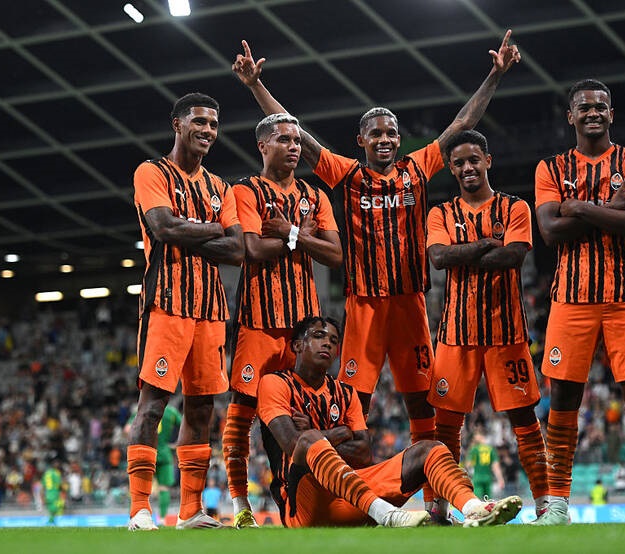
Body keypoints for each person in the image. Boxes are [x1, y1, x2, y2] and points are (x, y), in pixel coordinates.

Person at [231, 33, 521, 518]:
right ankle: (346, 500)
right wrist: (256, 86)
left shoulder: (417, 169)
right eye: (376, 133)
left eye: (391, 133)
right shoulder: (346, 175)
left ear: (399, 140)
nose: (385, 139)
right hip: (363, 308)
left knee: (422, 408)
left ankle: (438, 505)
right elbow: (299, 136)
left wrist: (495, 74)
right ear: (361, 141)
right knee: (351, 407)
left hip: (410, 306)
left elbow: (461, 125)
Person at [533, 79, 625, 525]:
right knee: (563, 395)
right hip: (570, 298)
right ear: (571, 116)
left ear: (611, 114)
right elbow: (549, 232)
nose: (593, 112)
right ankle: (558, 506)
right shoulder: (550, 168)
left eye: (600, 106)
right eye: (584, 107)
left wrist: (578, 208)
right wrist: (612, 209)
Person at [256, 315, 522, 528]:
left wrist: (321, 436)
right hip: (304, 504)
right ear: (297, 345)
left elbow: (363, 454)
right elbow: (293, 444)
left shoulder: (345, 393)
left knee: (431, 448)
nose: (327, 343)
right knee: (307, 441)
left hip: (353, 493)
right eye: (318, 336)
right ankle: (388, 515)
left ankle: (473, 508)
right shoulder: (275, 383)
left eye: (333, 340)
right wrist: (341, 432)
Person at [127, 92, 245, 531]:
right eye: (199, 121)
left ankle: (190, 511)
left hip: (211, 311)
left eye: (213, 124)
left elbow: (238, 249)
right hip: (167, 305)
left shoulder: (221, 187)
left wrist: (190, 230)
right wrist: (214, 229)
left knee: (201, 409)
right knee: (153, 406)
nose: (208, 130)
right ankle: (140, 509)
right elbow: (162, 226)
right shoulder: (151, 172)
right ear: (177, 124)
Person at [222, 113, 342, 528]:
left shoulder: (315, 195)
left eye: (297, 140)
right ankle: (240, 505)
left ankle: (293, 502)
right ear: (263, 146)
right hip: (257, 323)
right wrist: (303, 237)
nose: (294, 146)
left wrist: (290, 233)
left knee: (296, 419)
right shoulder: (245, 190)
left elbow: (335, 255)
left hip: (302, 331)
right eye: (284, 139)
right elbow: (252, 249)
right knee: (242, 414)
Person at [426, 130, 549, 520]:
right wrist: (483, 245)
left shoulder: (515, 207)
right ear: (451, 168)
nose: (467, 167)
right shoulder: (440, 213)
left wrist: (461, 253)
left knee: (524, 421)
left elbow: (512, 257)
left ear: (487, 161)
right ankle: (439, 508)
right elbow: (439, 258)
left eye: (473, 160)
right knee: (445, 428)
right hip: (455, 336)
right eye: (459, 162)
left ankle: (546, 505)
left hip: (506, 334)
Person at [124, 401, 183, 524]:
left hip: (146, 451)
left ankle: (136, 517)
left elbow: (127, 429)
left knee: (139, 488)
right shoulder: (171, 412)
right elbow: (184, 425)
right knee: (163, 488)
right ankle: (162, 519)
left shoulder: (144, 407)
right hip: (164, 453)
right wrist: (177, 443)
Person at [464, 430, 505, 500]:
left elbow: (468, 465)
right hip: (488, 478)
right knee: (488, 501)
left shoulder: (474, 449)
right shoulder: (491, 449)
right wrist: (500, 479)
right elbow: (495, 466)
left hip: (477, 478)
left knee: (477, 500)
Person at [41, 459, 64, 525]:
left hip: (48, 494)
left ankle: (51, 522)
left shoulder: (46, 473)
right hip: (54, 493)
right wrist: (64, 489)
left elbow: (43, 486)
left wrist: (42, 496)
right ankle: (53, 521)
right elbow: (59, 485)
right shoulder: (56, 473)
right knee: (60, 505)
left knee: (52, 510)